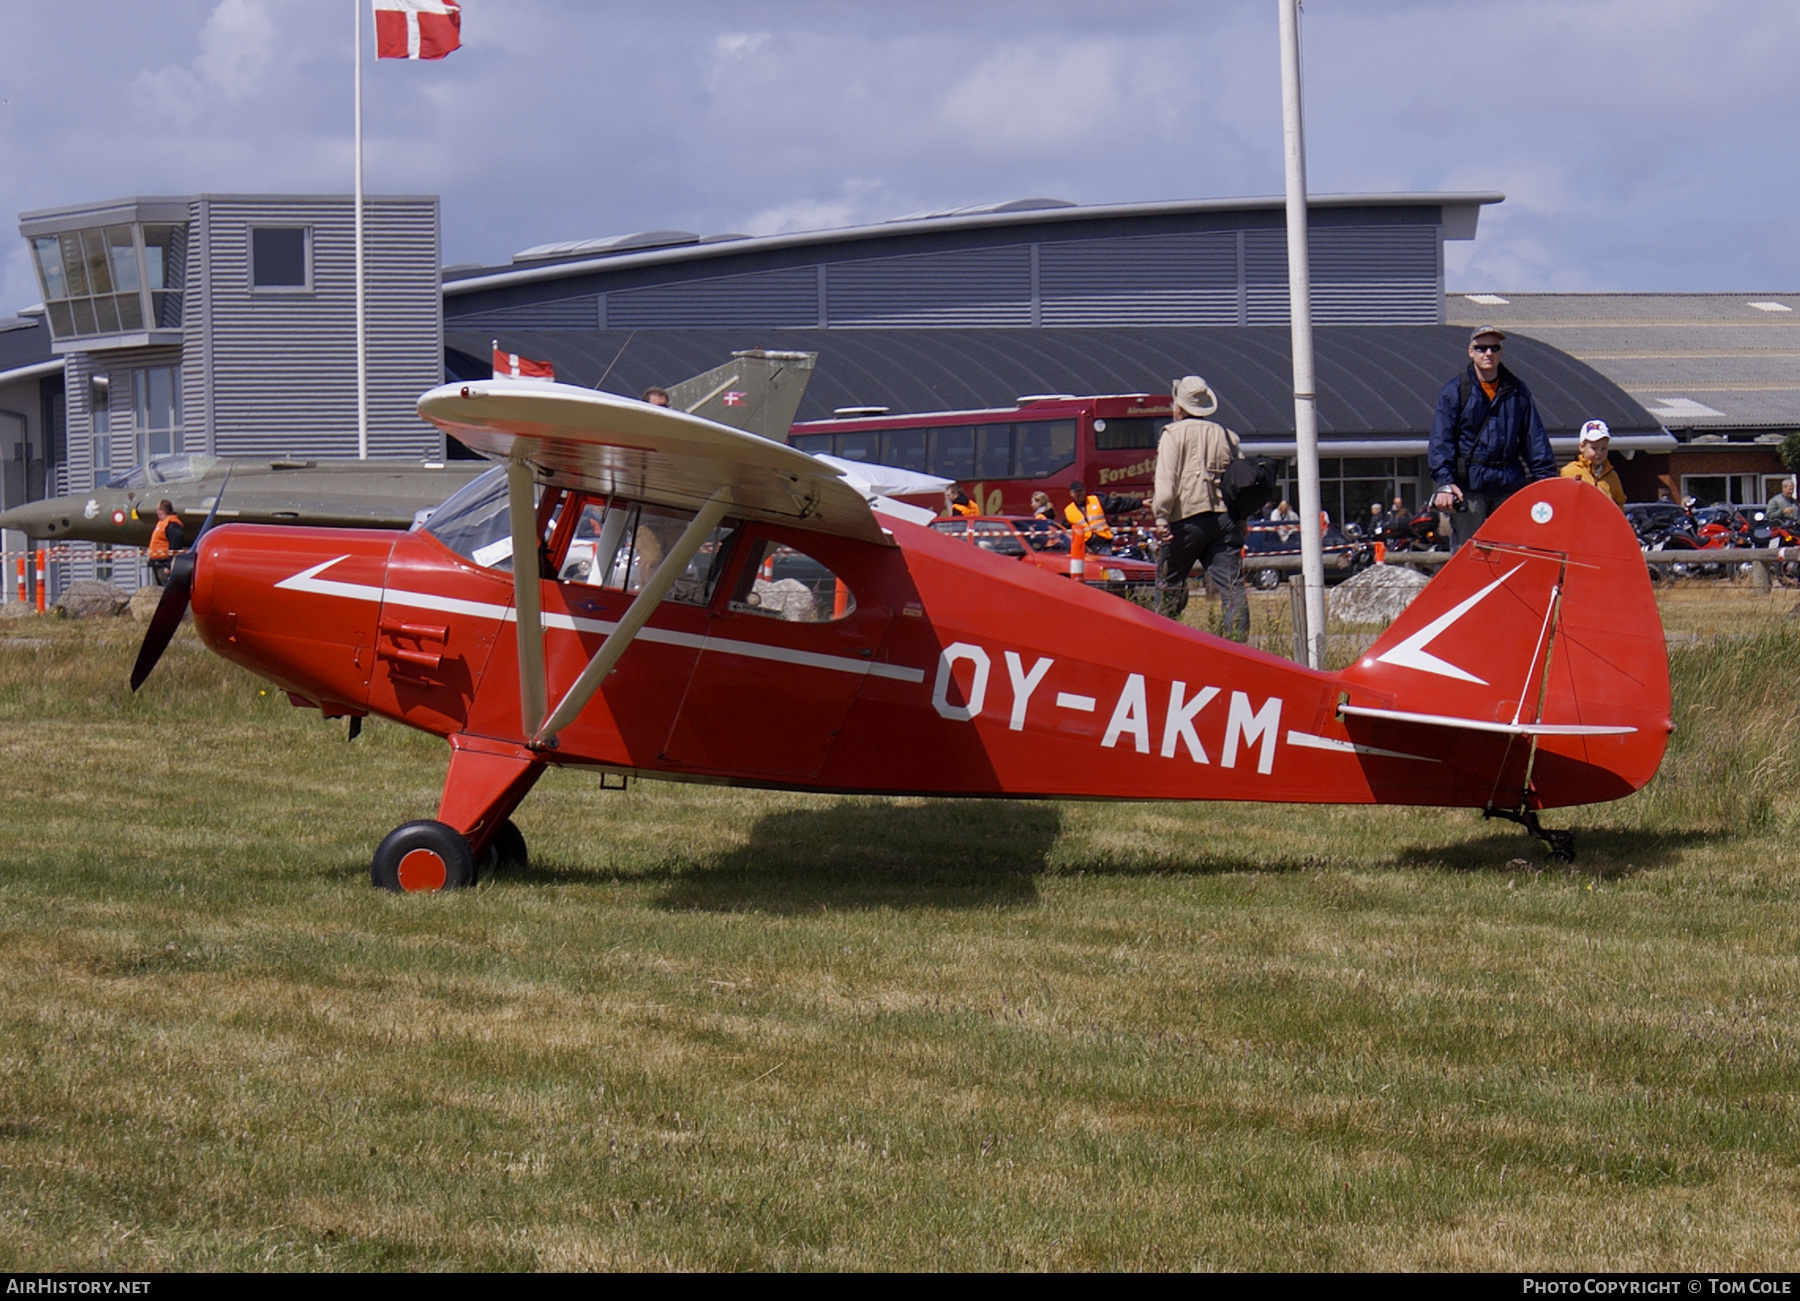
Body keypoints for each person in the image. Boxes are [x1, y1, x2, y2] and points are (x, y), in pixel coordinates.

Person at [1429, 326, 1556, 547]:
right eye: (1481, 348)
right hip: (1470, 486)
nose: (1488, 353)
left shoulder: (1517, 390)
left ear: (1501, 353)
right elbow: (1441, 440)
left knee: (1512, 554)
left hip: (1508, 486)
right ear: (1471, 352)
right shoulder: (1455, 391)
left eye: (1494, 348)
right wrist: (1445, 482)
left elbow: (1534, 438)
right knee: (1468, 554)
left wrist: (1543, 483)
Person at [1151, 375, 1247, 639]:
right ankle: (1238, 645)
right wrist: (1242, 521)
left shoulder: (1173, 434)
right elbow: (1239, 484)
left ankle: (1161, 642)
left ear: (1179, 407)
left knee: (1168, 584)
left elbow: (1167, 482)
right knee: (1232, 587)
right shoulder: (1228, 437)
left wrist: (1161, 517)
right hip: (1225, 519)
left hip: (1185, 518)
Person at [1559, 419, 1627, 507]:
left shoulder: (1612, 477)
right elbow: (1562, 501)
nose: (1599, 453)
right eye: (1594, 448)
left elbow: (1620, 503)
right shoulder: (1570, 471)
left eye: (1604, 448)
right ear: (1582, 447)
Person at [1062, 480, 1141, 555]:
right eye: (1077, 492)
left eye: (1081, 491)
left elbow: (1118, 504)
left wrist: (1140, 503)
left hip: (1103, 544)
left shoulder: (1096, 500)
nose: (1080, 494)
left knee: (1105, 568)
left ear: (1085, 490)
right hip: (1084, 548)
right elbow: (1063, 532)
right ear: (1071, 493)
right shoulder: (1068, 511)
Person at [146, 499, 186, 586]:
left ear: (162, 510)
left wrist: (169, 566)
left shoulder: (173, 524)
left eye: (157, 509)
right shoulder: (161, 523)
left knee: (165, 590)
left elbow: (175, 547)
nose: (156, 512)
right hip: (157, 564)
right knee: (157, 592)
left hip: (164, 565)